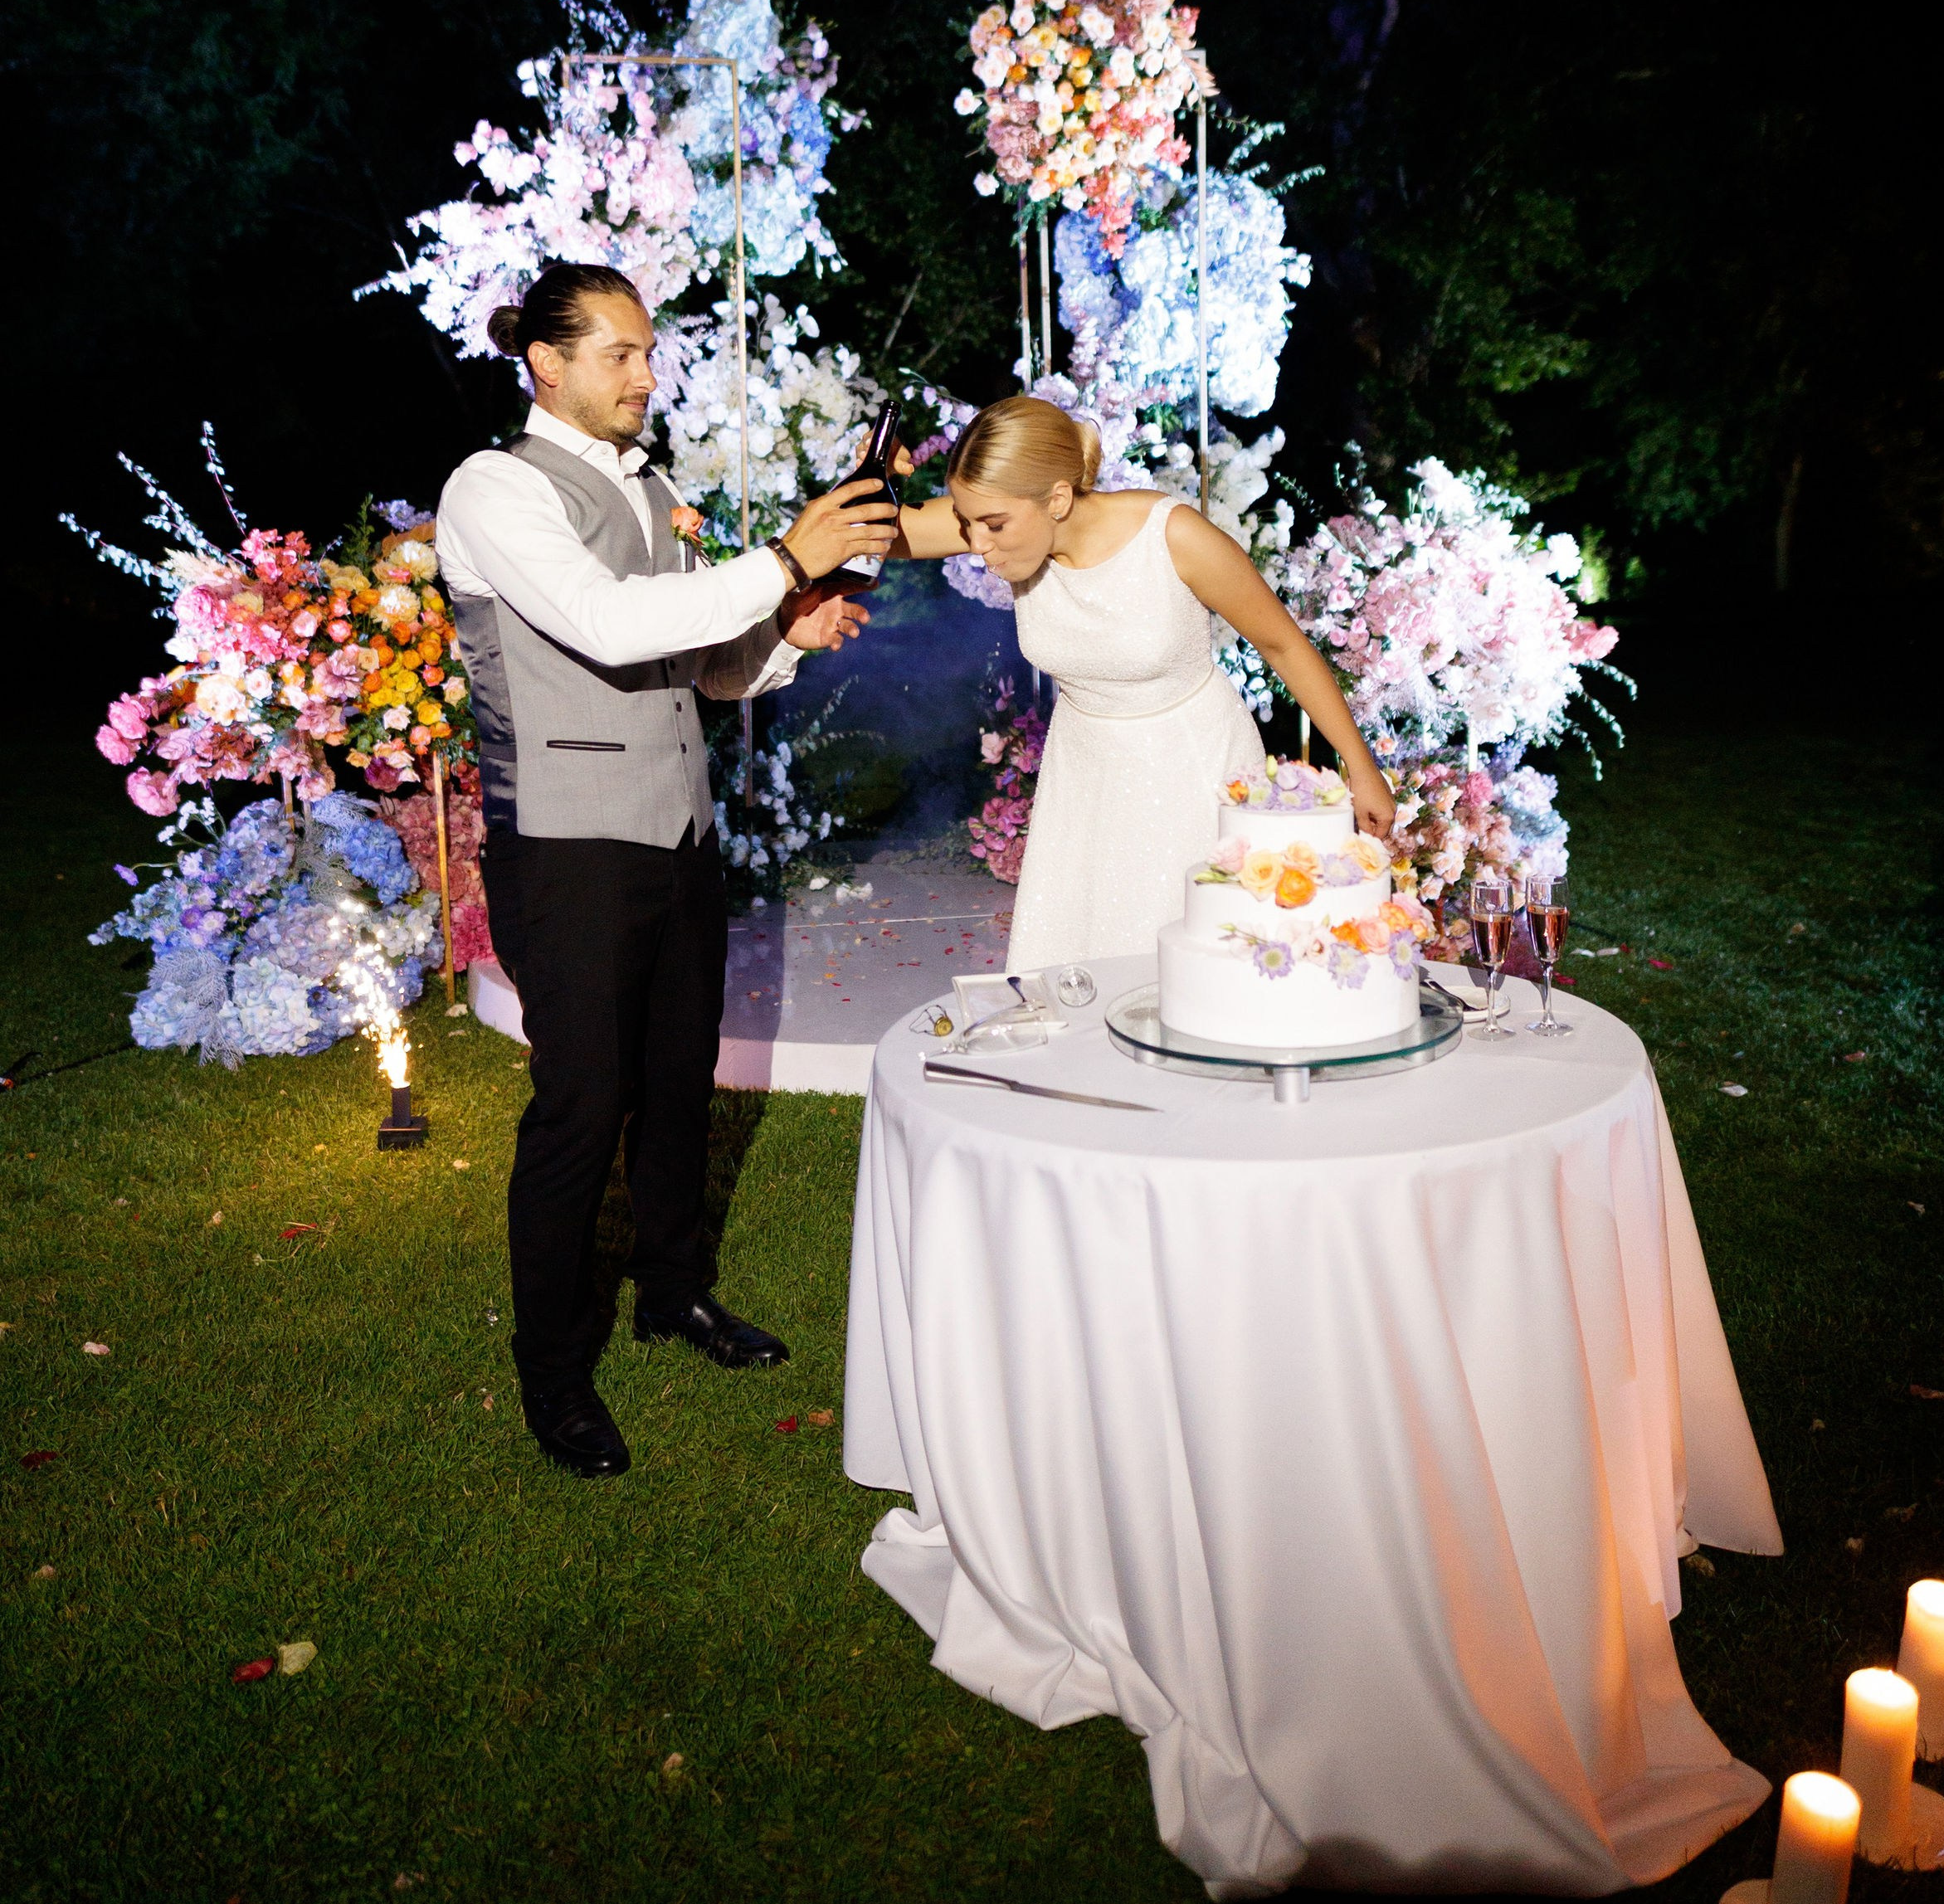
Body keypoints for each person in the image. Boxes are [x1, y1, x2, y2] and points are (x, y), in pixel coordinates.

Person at [436, 259, 896, 1479]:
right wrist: (787, 557)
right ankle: (553, 1369)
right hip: (568, 849)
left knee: (679, 1084)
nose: (647, 375)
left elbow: (700, 664)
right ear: (547, 364)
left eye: (649, 352)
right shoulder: (495, 489)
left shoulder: (651, 490)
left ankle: (674, 1292)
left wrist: (782, 634)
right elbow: (607, 625)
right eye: (621, 355)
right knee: (583, 1109)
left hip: (676, 835)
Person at [894, 397, 1396, 972]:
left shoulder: (1173, 536)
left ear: (1057, 499)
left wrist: (1361, 767)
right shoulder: (1001, 519)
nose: (977, 545)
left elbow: (1283, 644)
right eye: (967, 524)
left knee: (1193, 975)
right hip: (1084, 780)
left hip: (1193, 771)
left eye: (993, 525)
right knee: (1078, 971)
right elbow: (876, 534)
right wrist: (876, 478)